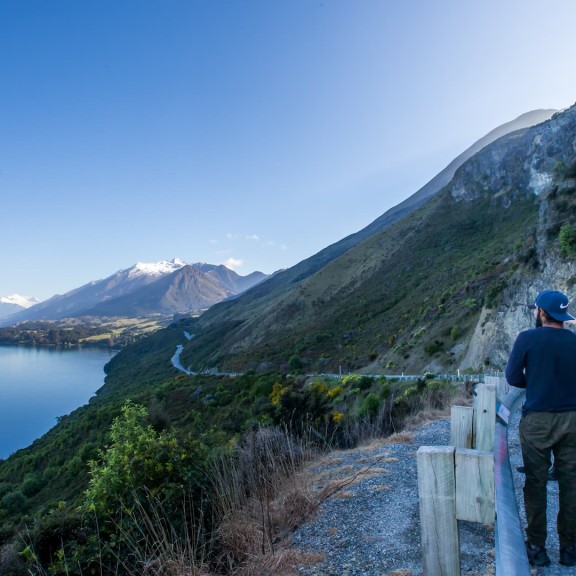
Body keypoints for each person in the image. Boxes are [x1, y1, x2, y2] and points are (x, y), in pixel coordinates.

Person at [505, 289, 576, 567]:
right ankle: (569, 549)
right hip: (572, 419)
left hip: (537, 421)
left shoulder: (527, 338)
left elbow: (512, 377)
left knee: (536, 483)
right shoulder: (574, 341)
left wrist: (534, 384)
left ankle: (537, 548)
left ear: (542, 312)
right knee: (571, 484)